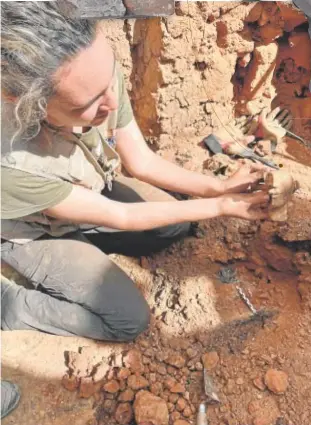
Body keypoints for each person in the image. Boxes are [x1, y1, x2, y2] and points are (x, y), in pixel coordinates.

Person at [1, 2, 269, 343]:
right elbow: (121, 215)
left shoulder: (93, 75)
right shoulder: (10, 161)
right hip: (34, 230)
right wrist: (221, 206)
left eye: (108, 83)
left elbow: (142, 162)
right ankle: (12, 305)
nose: (111, 103)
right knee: (127, 320)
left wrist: (218, 187)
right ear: (27, 102)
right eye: (88, 104)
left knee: (173, 225)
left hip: (84, 192)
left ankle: (85, 245)